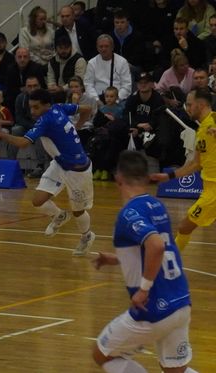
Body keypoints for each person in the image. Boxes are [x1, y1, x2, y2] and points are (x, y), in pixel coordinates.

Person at [91, 150, 194, 373]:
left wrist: (144, 289)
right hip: (181, 301)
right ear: (147, 177)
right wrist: (118, 259)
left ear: (118, 177)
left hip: (155, 308)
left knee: (103, 355)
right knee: (176, 370)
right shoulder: (157, 206)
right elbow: (160, 248)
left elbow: (155, 246)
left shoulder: (128, 213)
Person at [0, 89, 97, 255]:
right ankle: (59, 215)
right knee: (38, 200)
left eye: (36, 107)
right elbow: (87, 109)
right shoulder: (59, 107)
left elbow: (23, 143)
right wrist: (78, 126)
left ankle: (87, 236)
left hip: (78, 171)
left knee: (78, 211)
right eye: (31, 107)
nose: (32, 111)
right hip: (60, 164)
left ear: (47, 105)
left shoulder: (46, 121)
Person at [151, 88, 216, 251]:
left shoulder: (213, 121)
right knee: (184, 227)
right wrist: (169, 176)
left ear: (201, 105)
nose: (187, 108)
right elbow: (195, 164)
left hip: (214, 191)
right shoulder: (202, 129)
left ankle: (169, 265)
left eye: (189, 104)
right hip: (208, 188)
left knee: (184, 227)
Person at [84, 34, 132, 103]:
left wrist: (116, 100)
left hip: (118, 101)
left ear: (112, 47)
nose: (103, 49)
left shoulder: (122, 62)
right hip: (98, 100)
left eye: (106, 46)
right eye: (101, 46)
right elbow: (88, 85)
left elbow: (126, 86)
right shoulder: (92, 63)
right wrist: (96, 100)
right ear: (97, 48)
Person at [47, 35, 87, 103]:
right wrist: (52, 87)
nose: (63, 51)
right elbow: (51, 77)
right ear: (56, 48)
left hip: (72, 90)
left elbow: (79, 80)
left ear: (71, 47)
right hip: (57, 91)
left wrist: (62, 88)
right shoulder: (52, 61)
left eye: (66, 48)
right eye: (60, 48)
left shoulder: (79, 60)